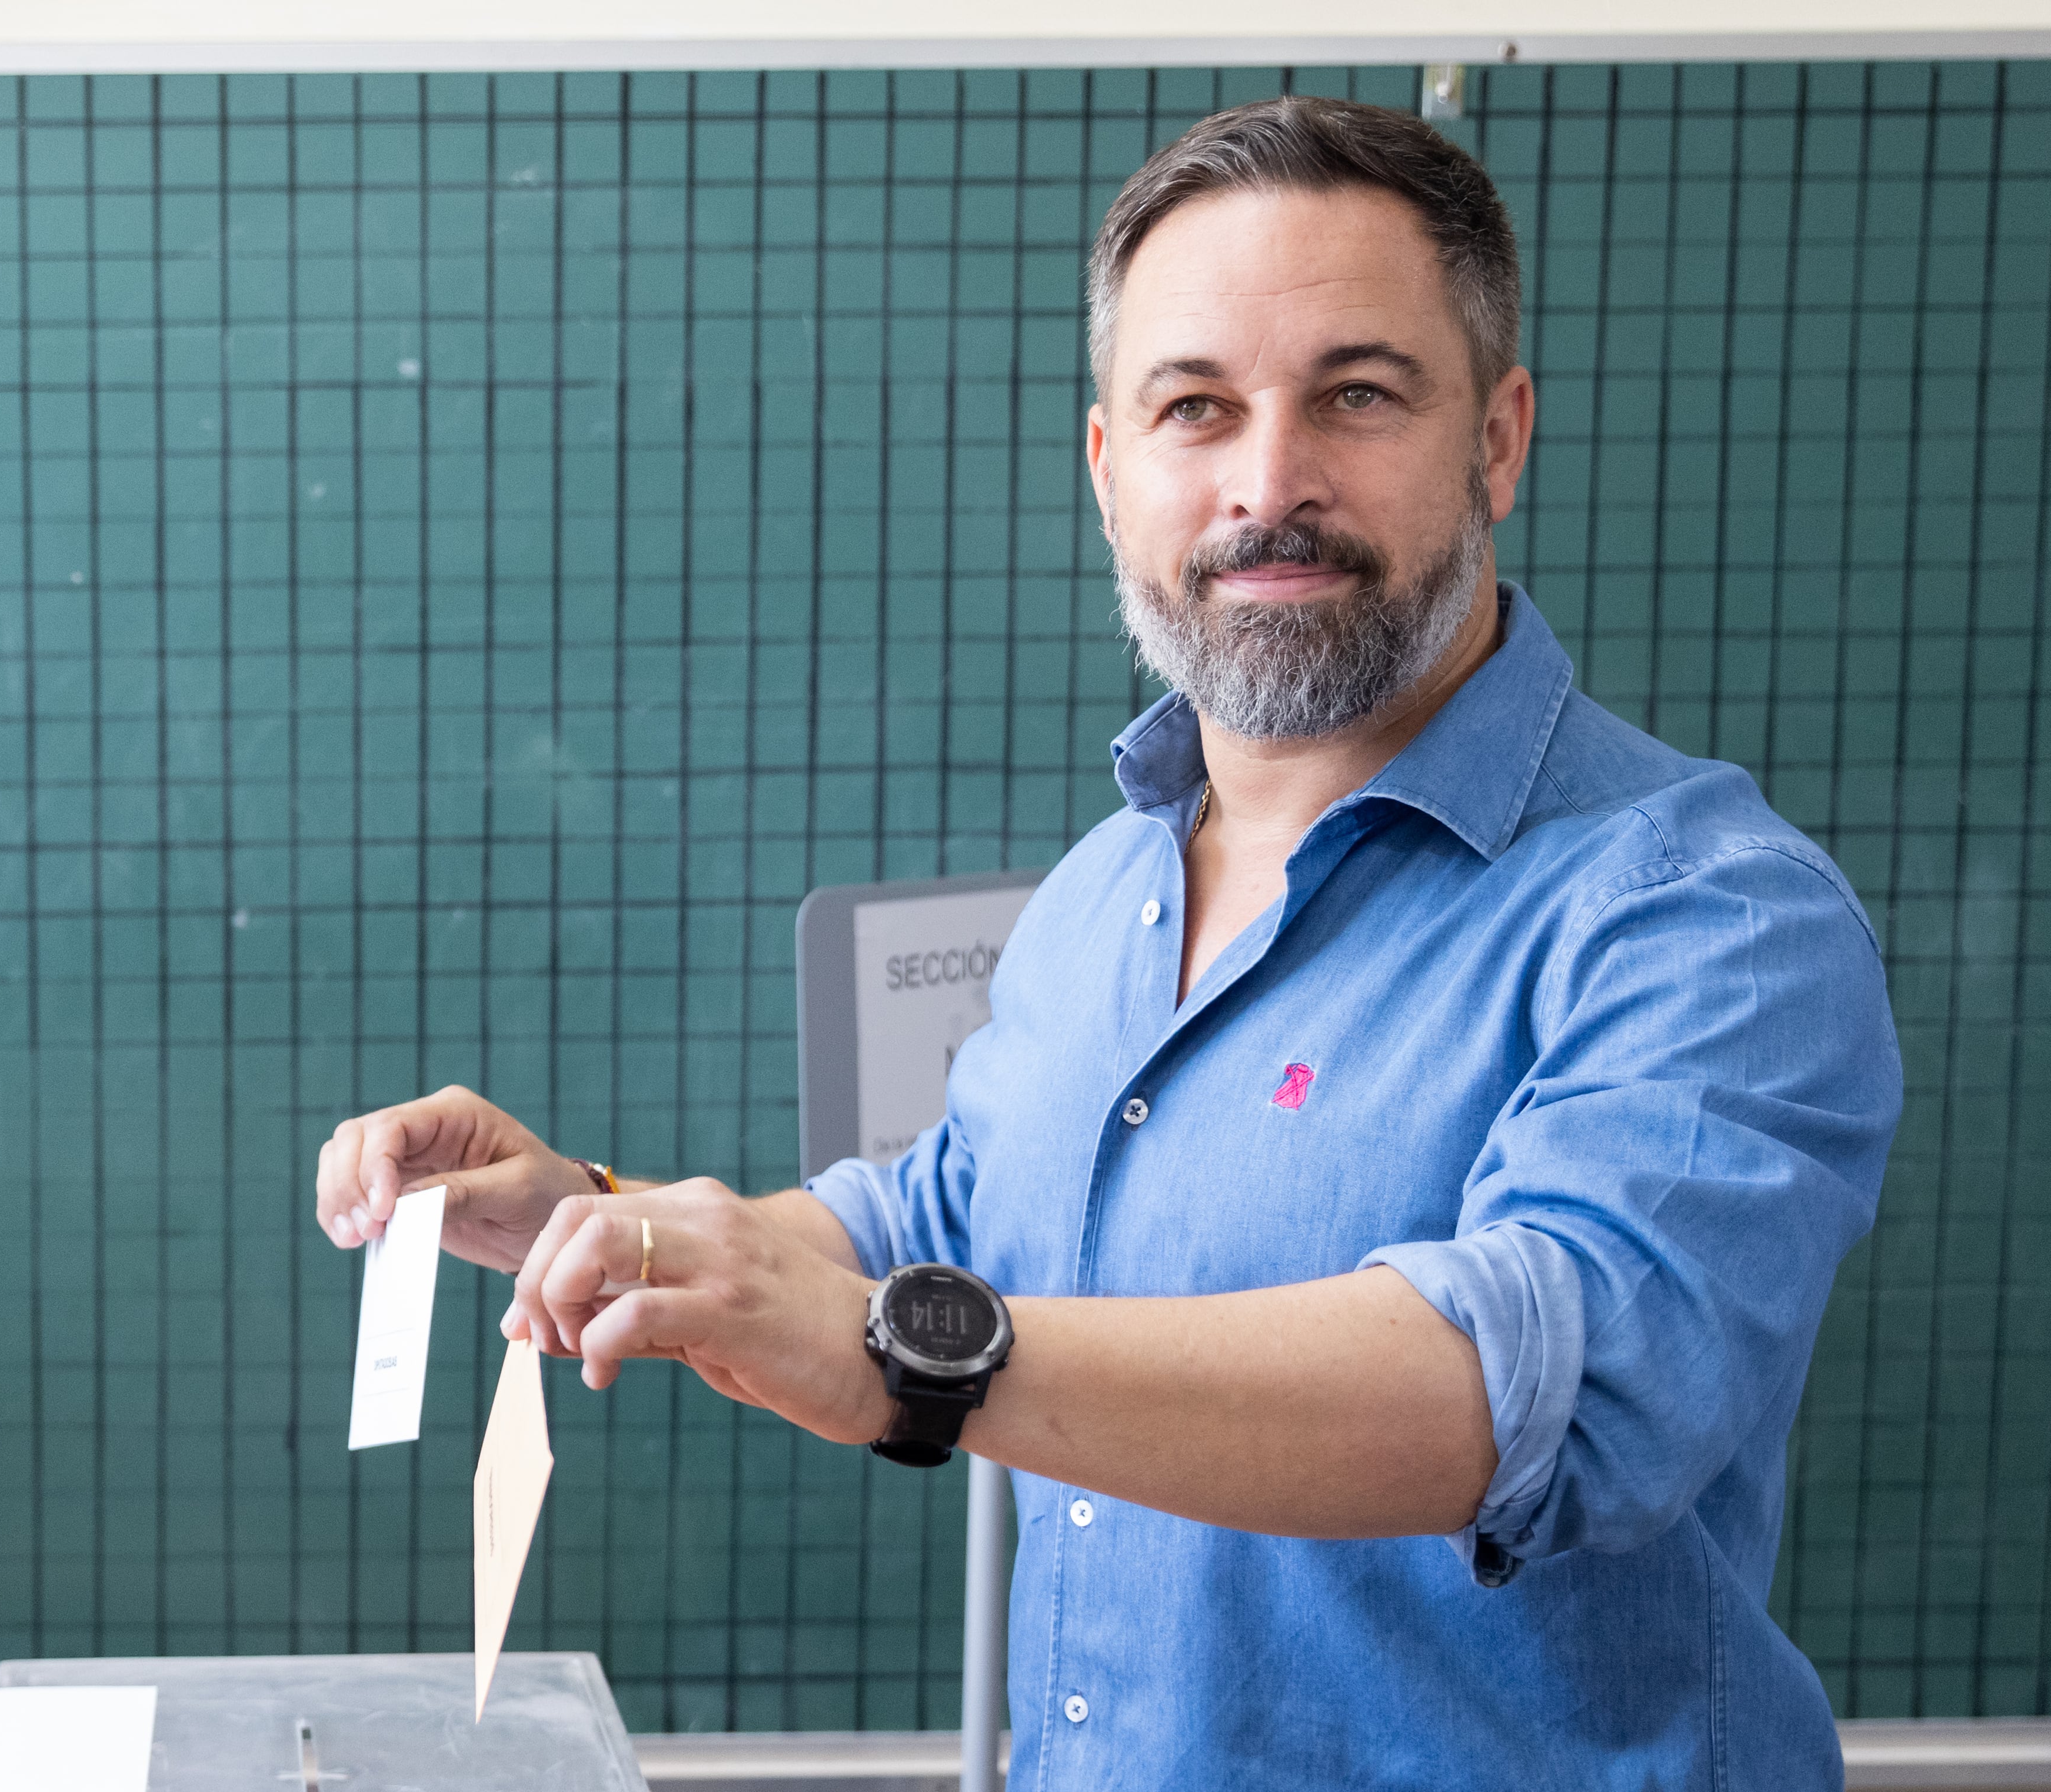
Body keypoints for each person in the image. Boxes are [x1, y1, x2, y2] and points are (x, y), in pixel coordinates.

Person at [315, 95, 1899, 1790]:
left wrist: (909, 1360)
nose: (1268, 484)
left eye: (1356, 396)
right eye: (1195, 409)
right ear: (1108, 468)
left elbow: (1521, 1391)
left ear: (1499, 439)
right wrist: (605, 1229)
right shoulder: (1104, 893)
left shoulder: (1703, 915)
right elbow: (937, 1220)